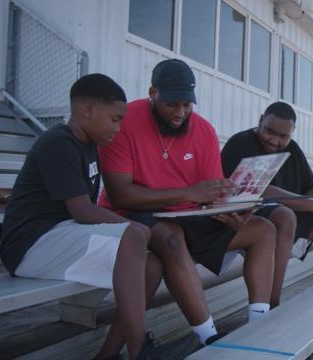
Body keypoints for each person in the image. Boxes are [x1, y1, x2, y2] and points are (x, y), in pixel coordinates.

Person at [98, 59, 276, 347]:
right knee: (171, 238)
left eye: (187, 104)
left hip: (188, 215)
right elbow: (121, 194)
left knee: (262, 229)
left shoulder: (203, 130)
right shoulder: (124, 119)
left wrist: (231, 212)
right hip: (136, 214)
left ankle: (259, 325)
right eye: (172, 104)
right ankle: (209, 338)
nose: (180, 113)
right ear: (153, 92)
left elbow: (210, 194)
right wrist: (189, 194)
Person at [0, 74, 161, 359]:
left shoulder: (89, 146)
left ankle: (108, 355)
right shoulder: (58, 143)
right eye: (115, 119)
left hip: (60, 235)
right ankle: (141, 351)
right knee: (135, 234)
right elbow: (82, 210)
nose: (119, 128)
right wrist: (135, 228)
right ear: (87, 111)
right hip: (29, 245)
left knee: (152, 265)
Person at [221, 101, 313, 308]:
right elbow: (258, 191)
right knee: (284, 217)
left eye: (283, 136)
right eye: (269, 132)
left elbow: (311, 188)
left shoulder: (292, 149)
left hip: (287, 211)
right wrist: (312, 204)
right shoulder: (241, 143)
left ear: (292, 132)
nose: (275, 140)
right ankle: (272, 303)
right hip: (247, 219)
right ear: (260, 121)